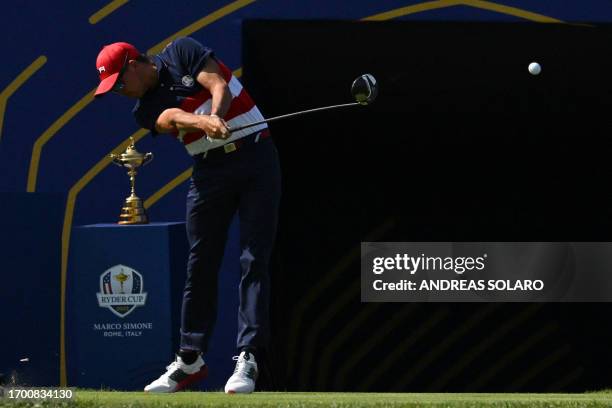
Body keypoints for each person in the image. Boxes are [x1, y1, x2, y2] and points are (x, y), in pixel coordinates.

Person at [94, 37, 281, 394]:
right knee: (201, 263)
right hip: (210, 172)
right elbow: (170, 118)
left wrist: (216, 115)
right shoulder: (143, 110)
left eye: (119, 82)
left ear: (134, 64)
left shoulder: (181, 53)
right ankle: (190, 358)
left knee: (253, 258)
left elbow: (218, 84)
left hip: (257, 158)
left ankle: (248, 356)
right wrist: (203, 122)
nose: (118, 91)